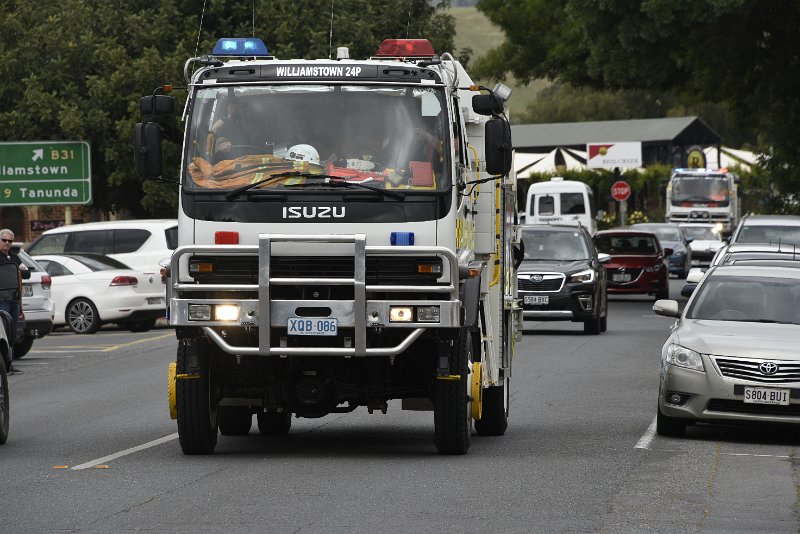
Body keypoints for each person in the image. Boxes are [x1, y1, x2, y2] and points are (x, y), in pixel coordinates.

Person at [0, 228, 28, 375]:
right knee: (2, 333)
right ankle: (3, 366)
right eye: (4, 240)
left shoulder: (14, 257)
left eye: (10, 241)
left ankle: (10, 365)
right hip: (2, 299)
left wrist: (19, 270)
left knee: (12, 333)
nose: (7, 243)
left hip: (14, 300)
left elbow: (26, 273)